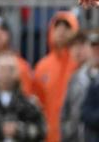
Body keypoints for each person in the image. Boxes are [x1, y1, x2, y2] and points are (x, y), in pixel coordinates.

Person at [34, 11, 80, 142]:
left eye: (67, 28)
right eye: (57, 27)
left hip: (76, 134)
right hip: (49, 133)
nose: (61, 31)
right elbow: (37, 102)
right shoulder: (42, 66)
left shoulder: (79, 62)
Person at [61, 29, 99, 142]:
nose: (96, 51)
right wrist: (68, 132)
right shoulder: (76, 77)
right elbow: (66, 112)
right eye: (93, 47)